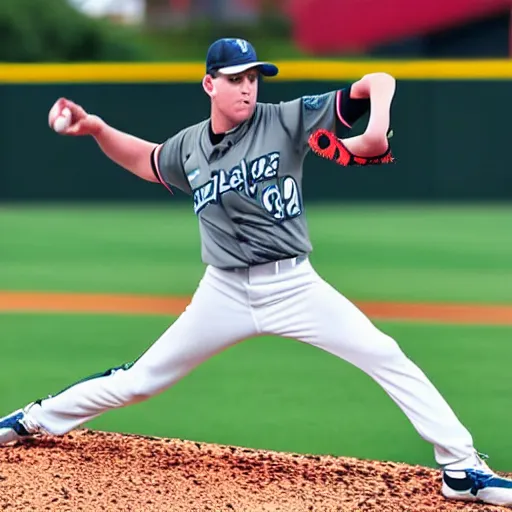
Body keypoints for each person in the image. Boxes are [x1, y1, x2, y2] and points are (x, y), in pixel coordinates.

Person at [1, 37, 511, 507]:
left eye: (253, 78)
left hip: (294, 285)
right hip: (221, 292)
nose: (247, 87)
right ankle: (31, 419)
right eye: (236, 78)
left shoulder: (286, 119)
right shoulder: (189, 147)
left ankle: (461, 468)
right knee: (140, 382)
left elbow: (378, 80)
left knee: (385, 353)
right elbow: (146, 160)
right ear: (210, 84)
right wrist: (96, 128)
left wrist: (376, 128)